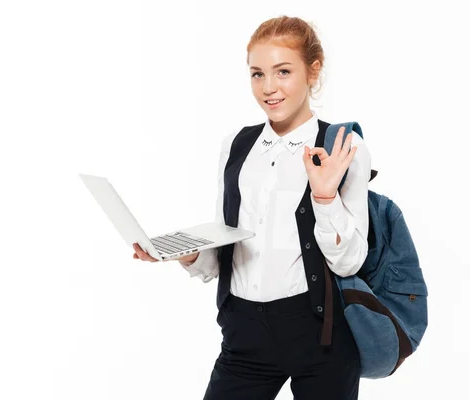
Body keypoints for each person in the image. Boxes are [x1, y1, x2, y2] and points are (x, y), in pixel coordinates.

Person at [133, 15, 371, 400]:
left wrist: (324, 196)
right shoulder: (237, 145)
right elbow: (227, 247)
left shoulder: (343, 147)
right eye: (257, 74)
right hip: (243, 333)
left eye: (283, 72)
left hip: (319, 336)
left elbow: (350, 261)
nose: (268, 88)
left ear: (313, 71)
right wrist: (189, 254)